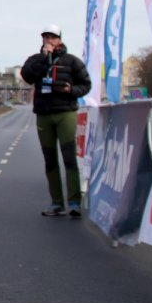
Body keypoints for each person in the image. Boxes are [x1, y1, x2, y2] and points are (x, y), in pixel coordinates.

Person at [20, 24, 92, 217]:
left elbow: (86, 85)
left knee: (69, 158)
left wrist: (71, 90)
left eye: (53, 37)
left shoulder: (72, 61)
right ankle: (57, 203)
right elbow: (27, 77)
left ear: (60, 39)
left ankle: (74, 203)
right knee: (50, 160)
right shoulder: (35, 59)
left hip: (65, 112)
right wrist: (44, 59)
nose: (49, 40)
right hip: (44, 114)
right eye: (46, 37)